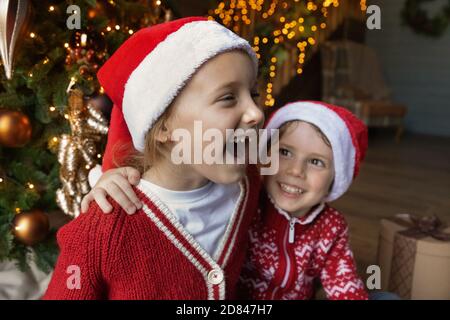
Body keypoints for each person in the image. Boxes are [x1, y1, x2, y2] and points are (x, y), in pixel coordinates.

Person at [43, 16, 264, 300]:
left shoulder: (249, 182)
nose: (256, 112)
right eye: (228, 98)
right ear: (163, 126)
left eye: (254, 93)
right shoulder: (100, 231)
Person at [238, 101, 369, 300]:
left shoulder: (331, 227)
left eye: (316, 161)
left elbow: (345, 284)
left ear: (336, 177)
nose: (296, 171)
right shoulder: (247, 204)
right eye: (285, 152)